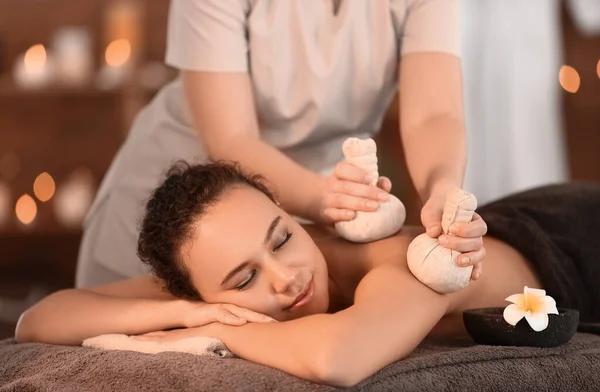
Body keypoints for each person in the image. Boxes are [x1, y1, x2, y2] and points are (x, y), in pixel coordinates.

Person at [17, 162, 600, 387]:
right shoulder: (205, 290)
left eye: (283, 238)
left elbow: (338, 359)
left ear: (292, 216)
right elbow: (40, 319)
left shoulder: (405, 262)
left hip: (579, 235)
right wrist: (185, 310)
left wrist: (206, 333)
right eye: (244, 281)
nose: (286, 278)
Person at [75, 0, 487, 288]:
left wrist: (443, 190)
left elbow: (436, 114)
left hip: (308, 211)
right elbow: (231, 140)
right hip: (183, 196)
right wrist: (323, 198)